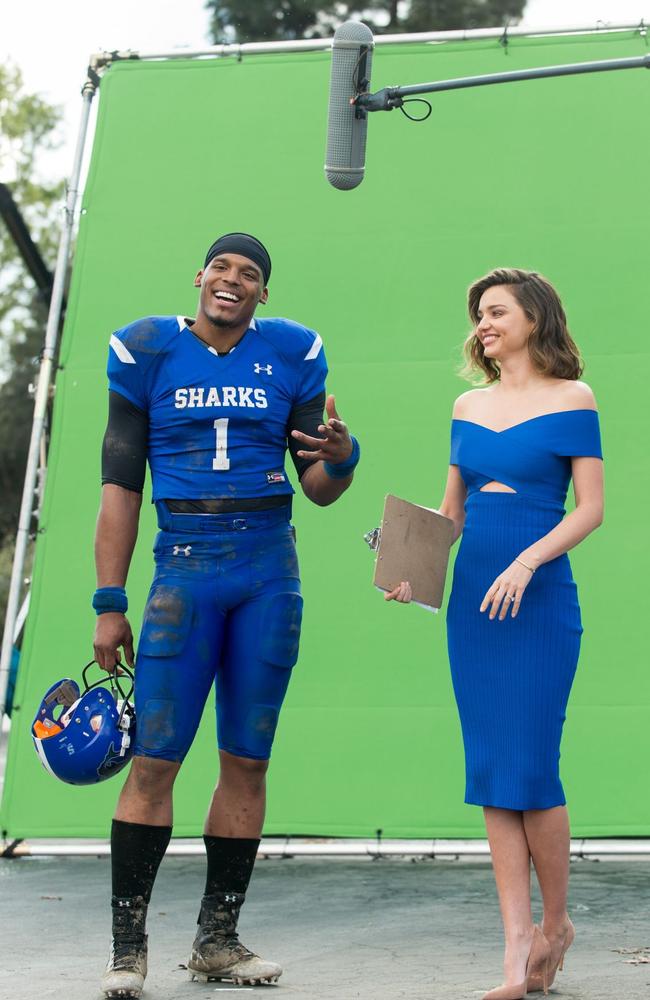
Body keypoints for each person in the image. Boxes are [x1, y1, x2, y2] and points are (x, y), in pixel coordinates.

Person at [93, 232, 360, 998]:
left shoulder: (291, 354)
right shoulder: (147, 351)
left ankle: (218, 939)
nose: (233, 280)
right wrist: (109, 603)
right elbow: (120, 487)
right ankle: (127, 947)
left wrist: (342, 453)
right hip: (185, 566)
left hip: (268, 568)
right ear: (199, 278)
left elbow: (318, 485)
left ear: (263, 294)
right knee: (155, 759)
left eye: (250, 274)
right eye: (222, 267)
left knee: (247, 759)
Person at [386, 268, 603, 1000]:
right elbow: (451, 513)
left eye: (496, 311)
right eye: (478, 314)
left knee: (534, 768)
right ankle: (517, 947)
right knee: (492, 777)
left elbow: (590, 509)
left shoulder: (574, 398)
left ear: (534, 317)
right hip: (475, 598)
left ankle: (559, 924)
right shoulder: (466, 405)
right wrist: (410, 567)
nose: (482, 323)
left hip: (538, 597)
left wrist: (528, 559)